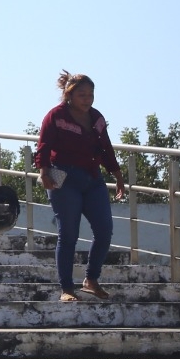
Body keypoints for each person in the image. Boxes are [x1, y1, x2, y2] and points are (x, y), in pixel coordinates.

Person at [34, 71, 127, 302]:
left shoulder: (96, 118)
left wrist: (117, 175)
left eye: (90, 95)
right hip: (64, 178)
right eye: (82, 95)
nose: (87, 99)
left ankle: (91, 279)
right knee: (68, 233)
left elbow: (105, 147)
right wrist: (43, 171)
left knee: (105, 230)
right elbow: (44, 146)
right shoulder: (56, 116)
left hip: (92, 179)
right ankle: (66, 288)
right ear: (69, 95)